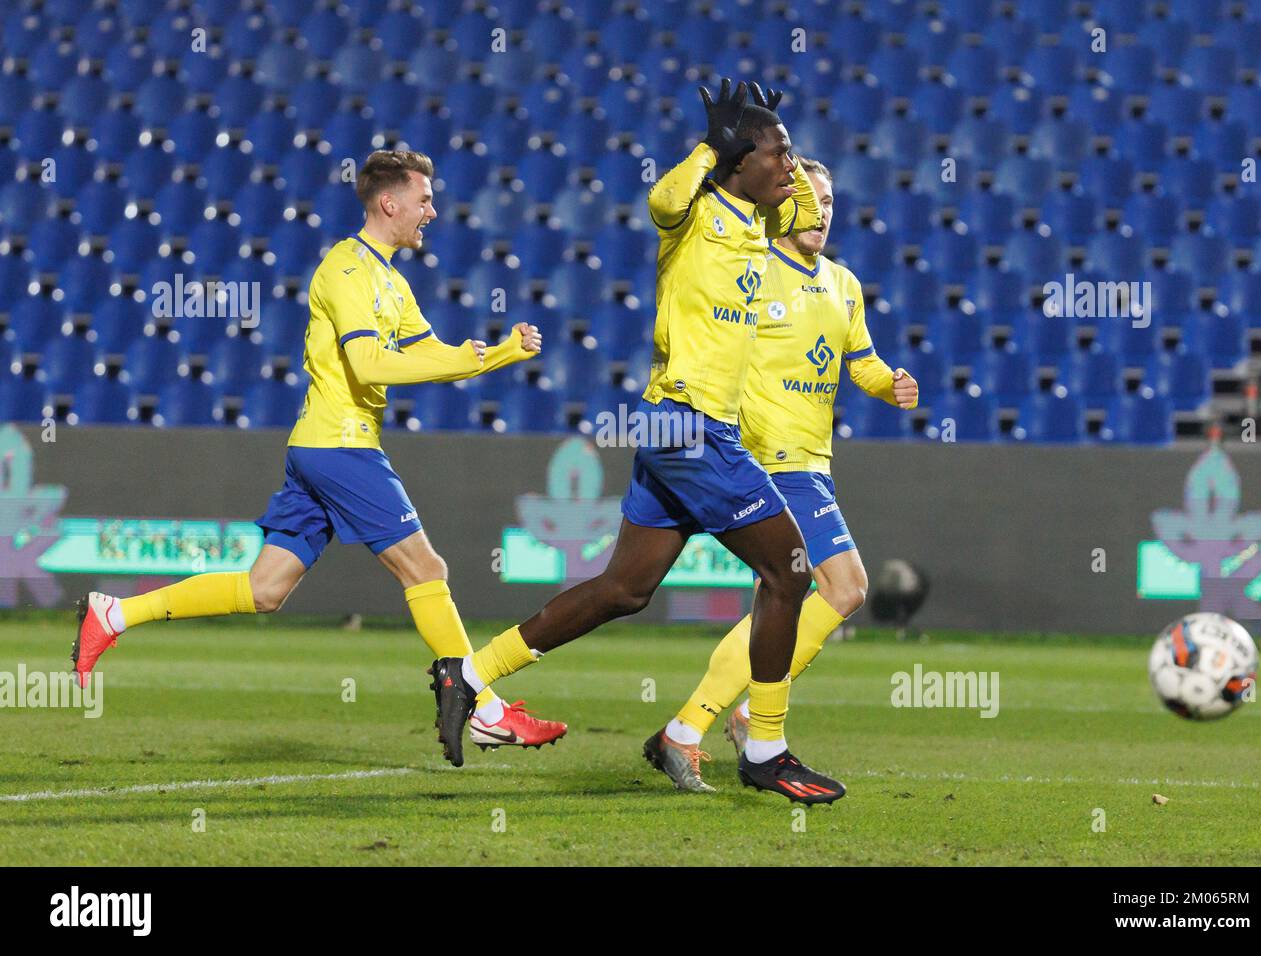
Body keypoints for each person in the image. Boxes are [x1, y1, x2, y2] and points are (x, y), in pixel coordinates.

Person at [432, 81, 847, 804]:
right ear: (735, 160)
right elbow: (661, 200)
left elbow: (806, 203)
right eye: (779, 155)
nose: (791, 168)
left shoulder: (762, 215)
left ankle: (466, 675)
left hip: (675, 425)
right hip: (689, 425)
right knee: (791, 571)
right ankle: (767, 749)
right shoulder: (694, 211)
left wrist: (777, 137)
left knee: (623, 589)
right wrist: (716, 144)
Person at [72, 150, 568, 752]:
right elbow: (367, 363)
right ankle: (484, 707)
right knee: (427, 569)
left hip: (320, 447)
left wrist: (496, 352)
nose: (432, 212)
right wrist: (474, 356)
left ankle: (114, 614)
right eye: (424, 200)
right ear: (390, 202)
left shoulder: (392, 280)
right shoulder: (346, 269)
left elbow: (430, 355)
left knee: (264, 590)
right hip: (341, 446)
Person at [643, 157, 919, 793]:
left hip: (812, 460)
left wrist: (890, 384)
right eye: (811, 198)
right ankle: (718, 723)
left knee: (785, 596)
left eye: (831, 199)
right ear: (782, 204)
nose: (823, 210)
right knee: (843, 587)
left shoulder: (844, 284)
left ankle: (700, 726)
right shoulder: (753, 271)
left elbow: (863, 362)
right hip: (765, 457)